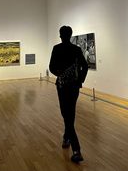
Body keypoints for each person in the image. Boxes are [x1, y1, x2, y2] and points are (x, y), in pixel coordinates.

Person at [49, 26, 88, 163]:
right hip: (73, 86)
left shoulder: (57, 48)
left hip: (62, 86)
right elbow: (85, 66)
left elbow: (52, 67)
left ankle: (76, 150)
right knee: (69, 113)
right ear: (70, 35)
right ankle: (66, 137)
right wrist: (79, 80)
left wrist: (62, 75)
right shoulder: (76, 50)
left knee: (66, 114)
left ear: (60, 35)